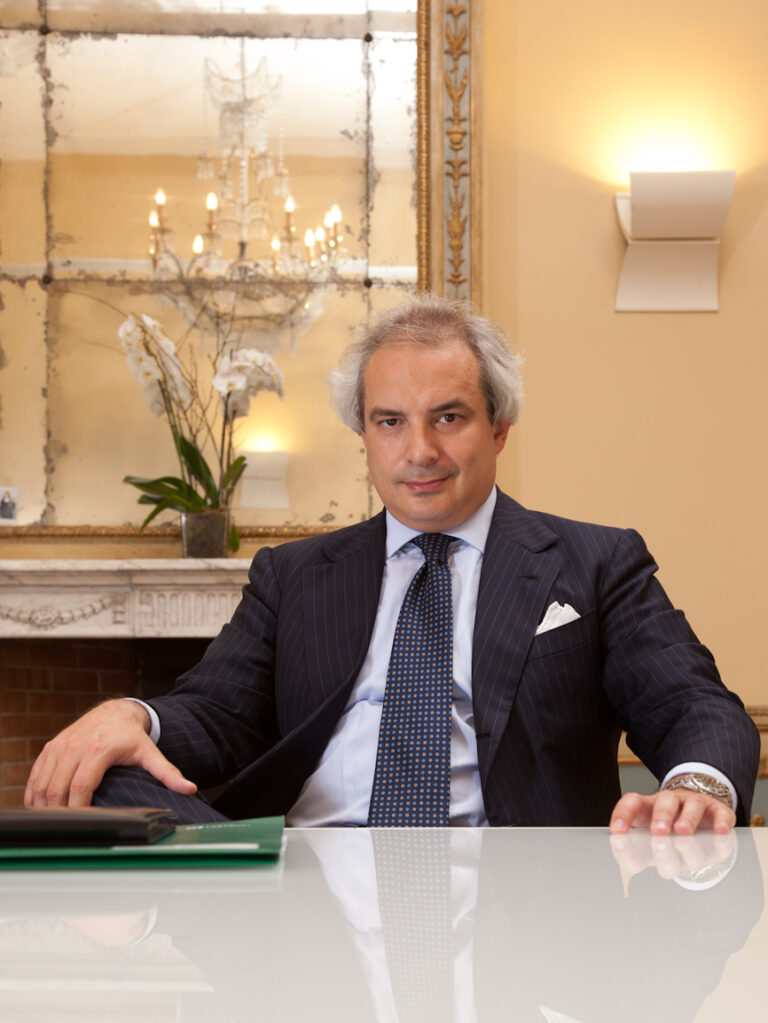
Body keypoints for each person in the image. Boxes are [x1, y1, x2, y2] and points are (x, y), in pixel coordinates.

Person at [24, 295, 759, 834]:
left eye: (449, 417)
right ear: (364, 436)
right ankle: (234, 883)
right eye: (390, 422)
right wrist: (132, 714)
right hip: (309, 885)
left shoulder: (594, 562)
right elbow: (216, 714)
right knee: (109, 774)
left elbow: (693, 705)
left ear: (499, 428)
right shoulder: (293, 575)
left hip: (519, 894)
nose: (419, 452)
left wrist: (697, 787)